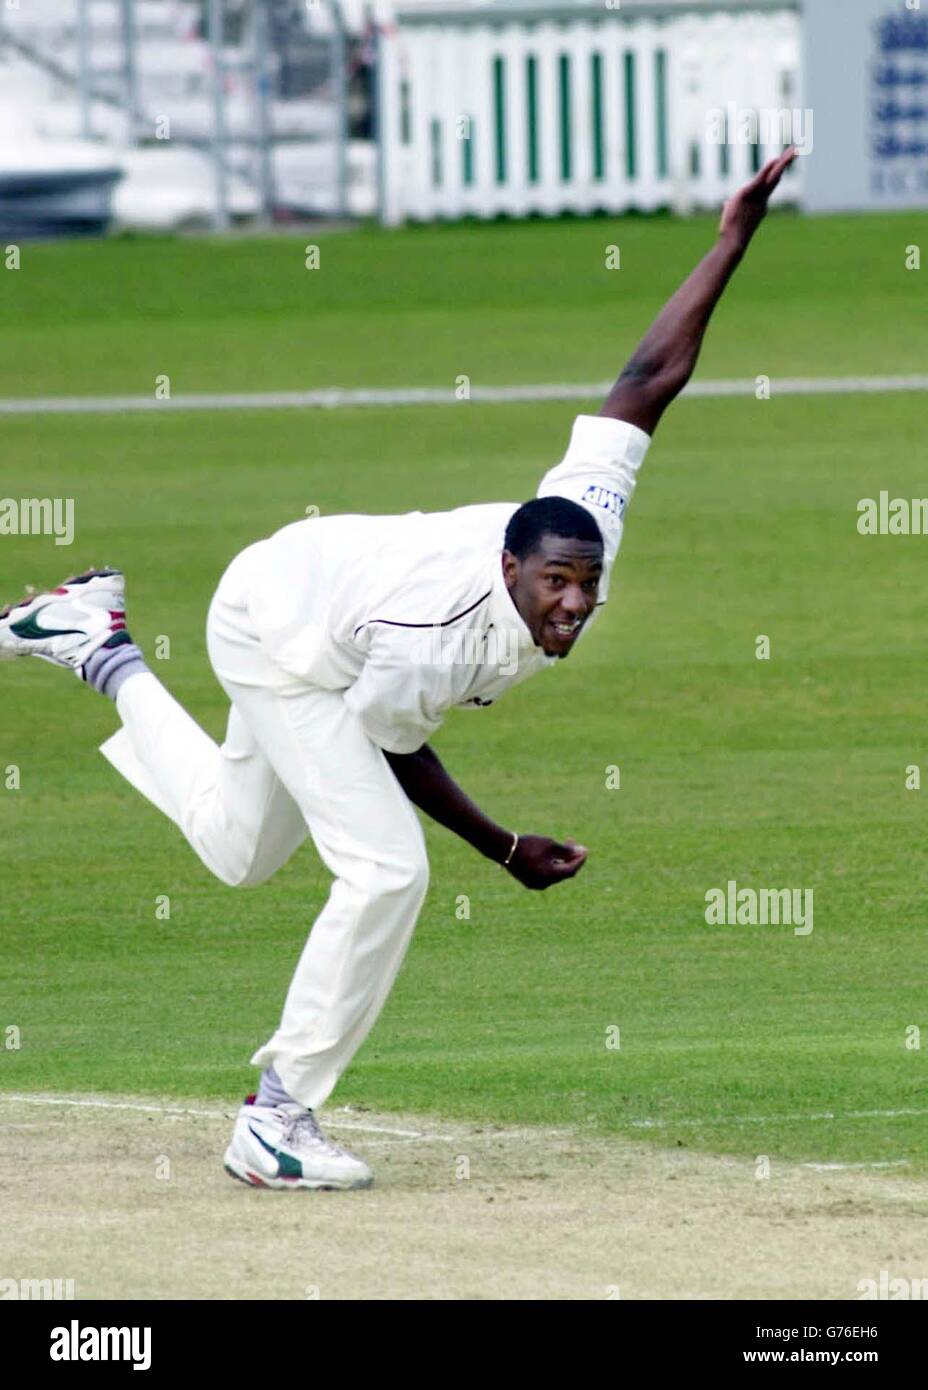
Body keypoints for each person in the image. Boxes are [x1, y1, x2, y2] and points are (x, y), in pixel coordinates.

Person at [0, 150, 797, 1191]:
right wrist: (502, 846)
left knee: (240, 852)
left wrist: (729, 238)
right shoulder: (446, 633)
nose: (573, 603)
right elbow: (389, 748)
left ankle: (94, 642)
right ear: (510, 566)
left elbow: (646, 380)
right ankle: (277, 1116)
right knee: (385, 869)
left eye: (584, 585)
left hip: (310, 594)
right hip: (282, 633)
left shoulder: (584, 519)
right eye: (554, 582)